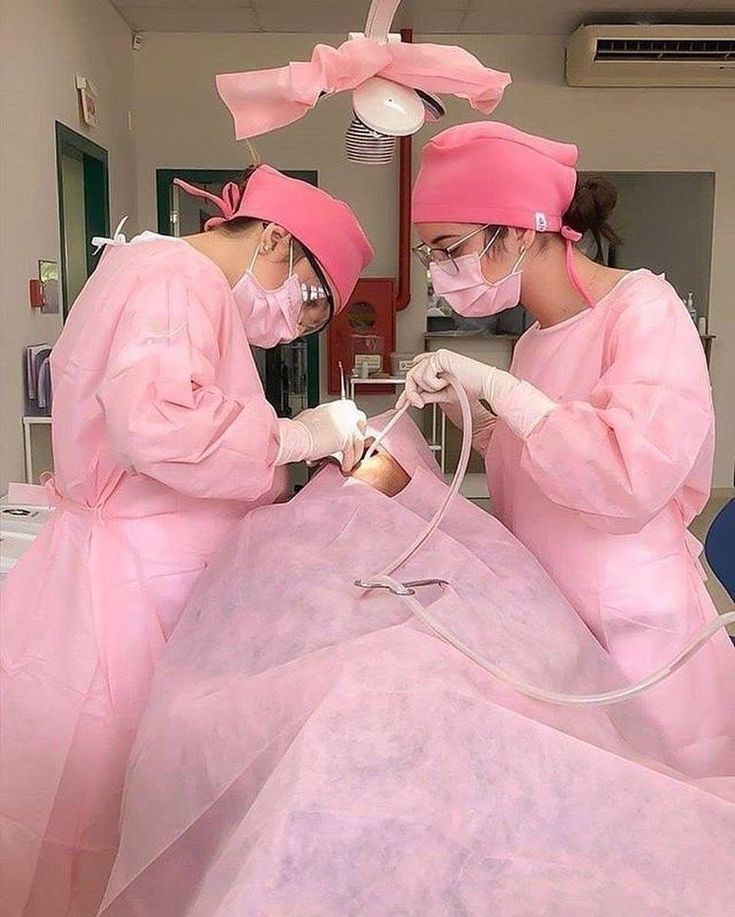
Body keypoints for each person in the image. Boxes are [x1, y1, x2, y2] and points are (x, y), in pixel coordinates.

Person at [97, 411, 734, 916]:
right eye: (349, 452)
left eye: (375, 452)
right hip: (323, 673)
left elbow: (503, 599)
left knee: (416, 692)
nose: (356, 465)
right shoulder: (279, 530)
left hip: (426, 662)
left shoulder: (450, 524)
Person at [0, 163, 372, 917]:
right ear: (273, 236)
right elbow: (158, 425)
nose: (291, 325)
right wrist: (297, 435)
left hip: (123, 569)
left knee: (95, 794)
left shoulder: (146, 269)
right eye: (306, 300)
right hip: (138, 589)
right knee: (127, 802)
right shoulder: (180, 279)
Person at [400, 122, 735, 777]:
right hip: (557, 614)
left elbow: (624, 479)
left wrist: (496, 385)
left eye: (448, 249)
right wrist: (469, 414)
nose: (442, 273)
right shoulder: (535, 340)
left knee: (666, 810)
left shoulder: (643, 310)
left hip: (634, 628)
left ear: (520, 229)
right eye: (430, 256)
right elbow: (539, 464)